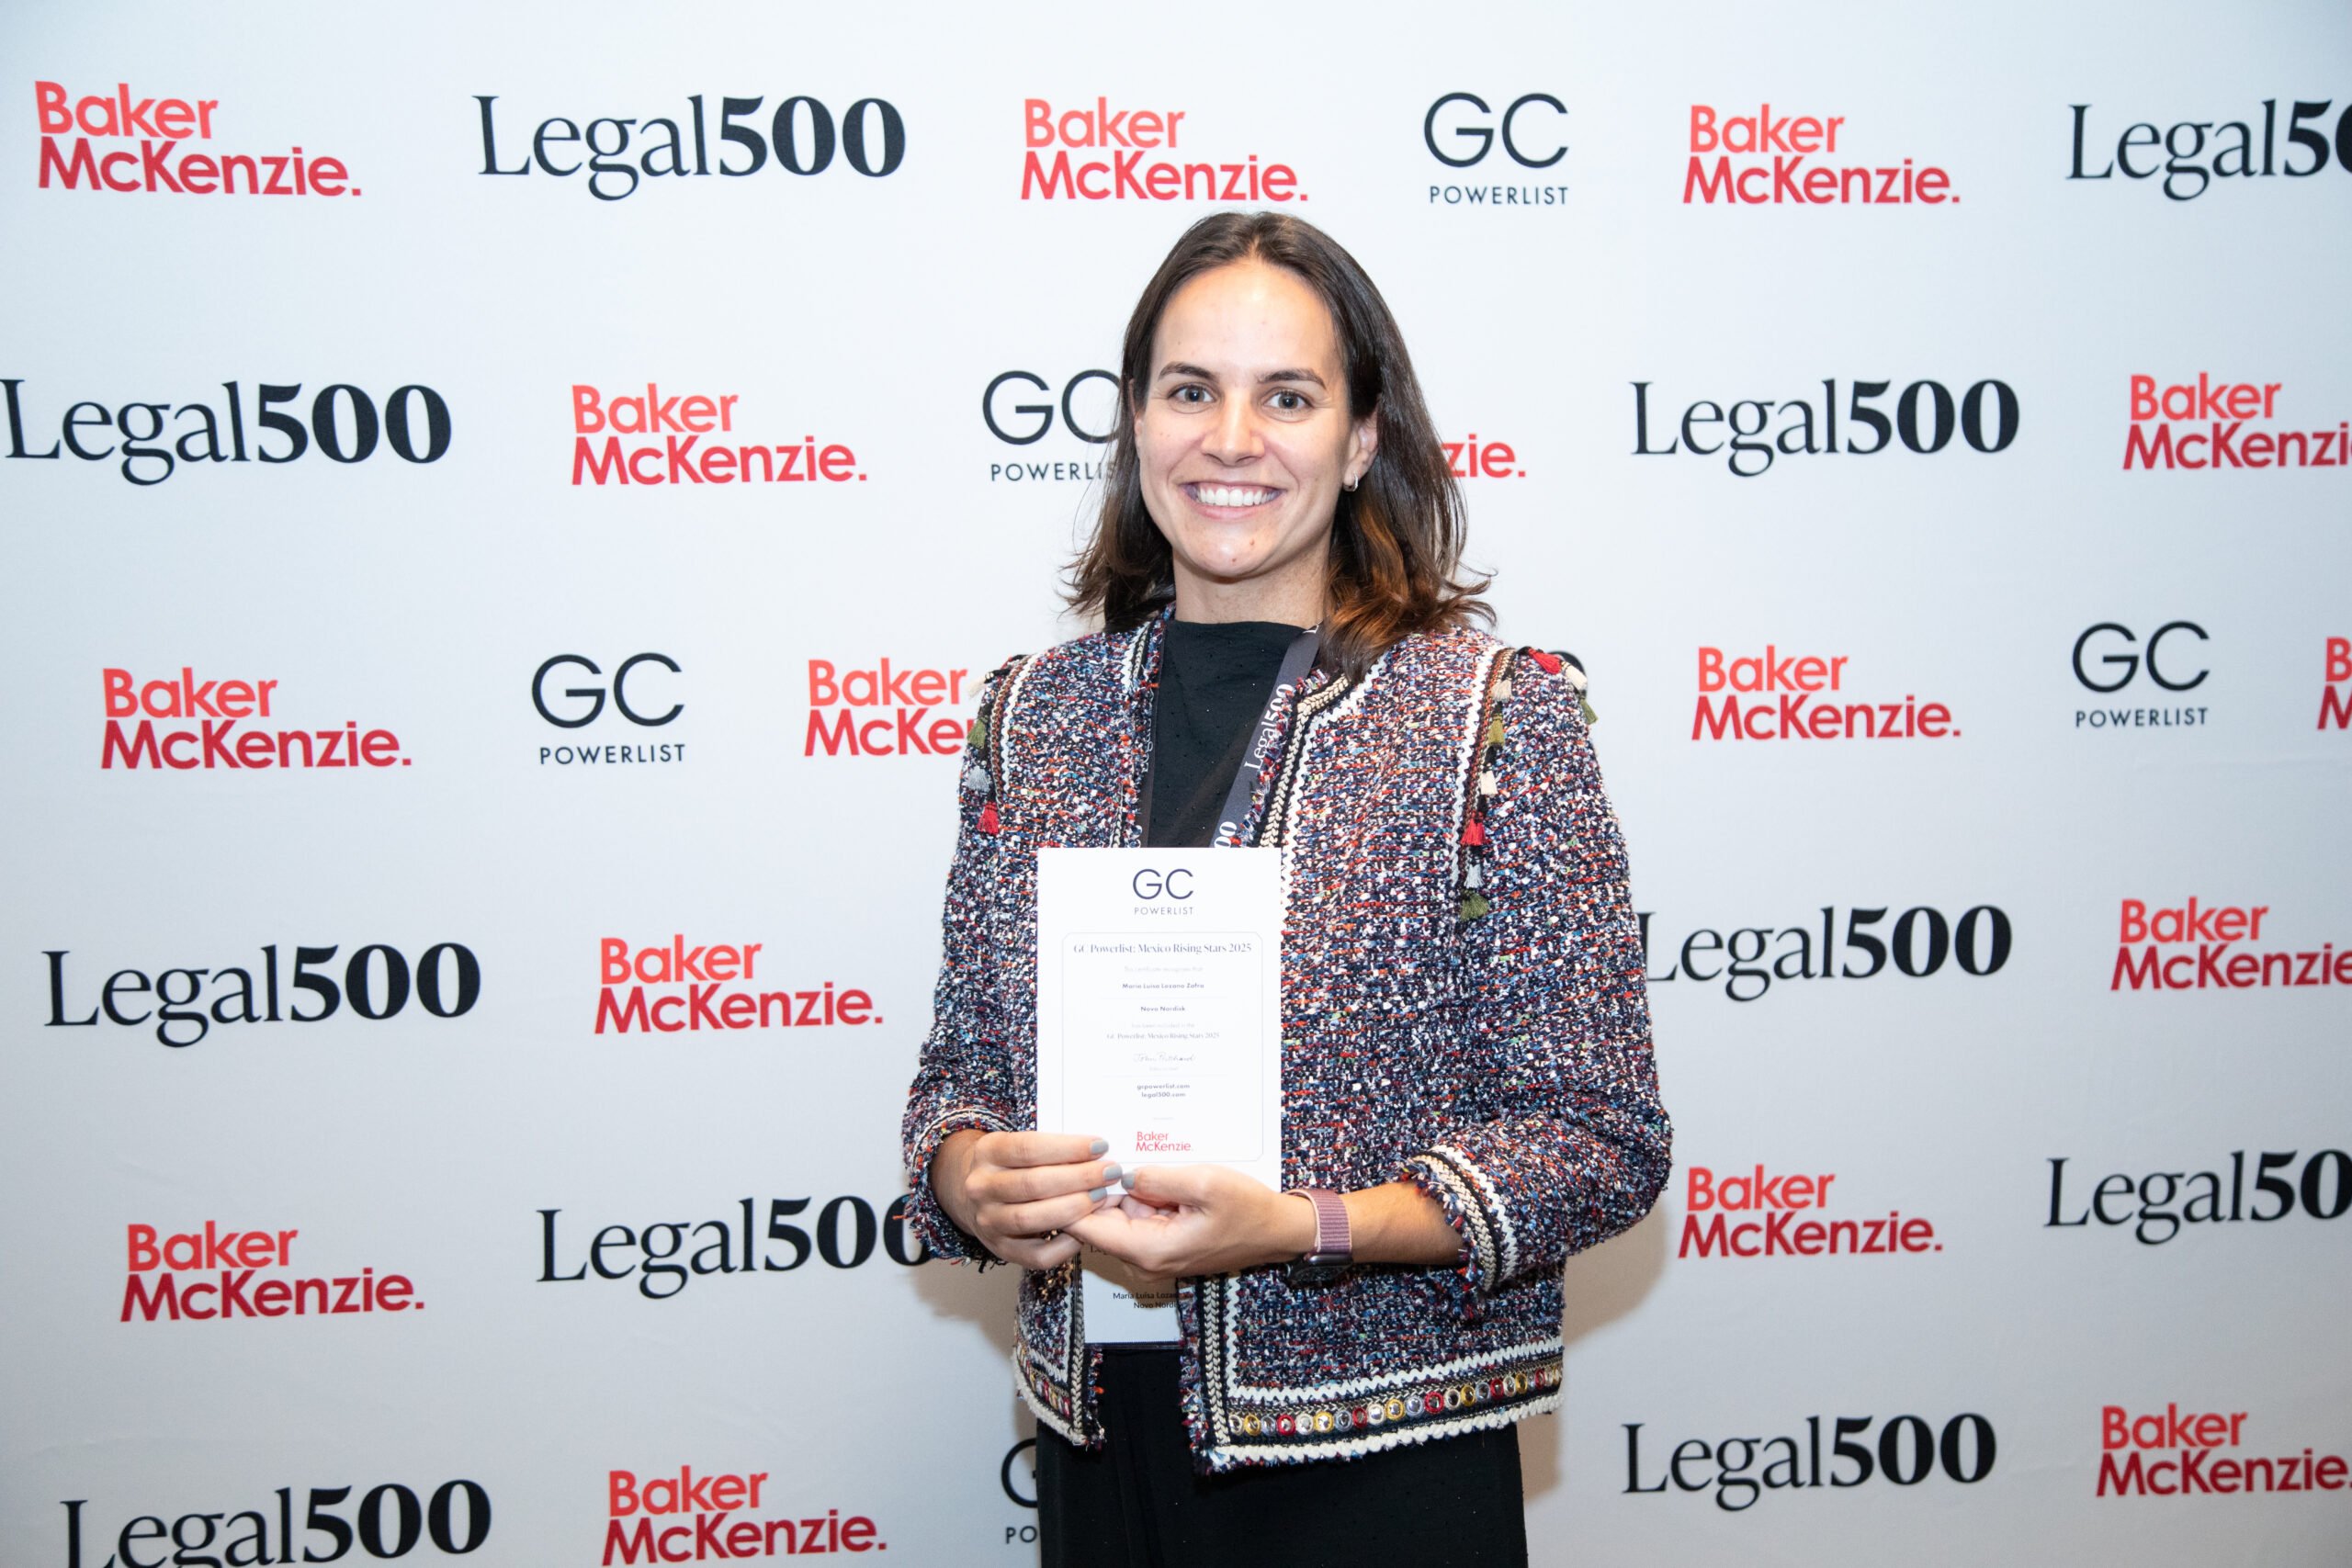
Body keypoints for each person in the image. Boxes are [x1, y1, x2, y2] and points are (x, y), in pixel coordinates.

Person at [900, 210, 1669, 1567]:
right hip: (1104, 1443)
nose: (1233, 438)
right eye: (1191, 389)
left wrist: (1306, 1228)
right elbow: (958, 1077)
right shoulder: (1033, 718)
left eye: (1290, 397)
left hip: (1381, 1467)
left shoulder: (1491, 720)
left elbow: (1600, 1139)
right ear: (1137, 421)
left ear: (1363, 439)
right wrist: (970, 1178)